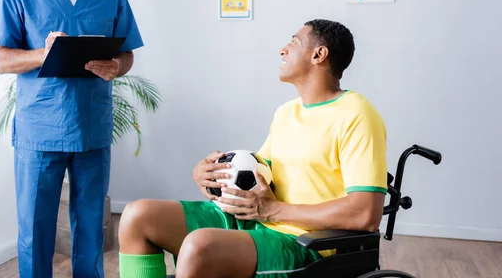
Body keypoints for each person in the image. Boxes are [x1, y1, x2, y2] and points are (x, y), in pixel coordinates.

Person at [118, 19, 387, 278]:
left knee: (200, 246)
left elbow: (365, 213)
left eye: (293, 42)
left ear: (319, 54)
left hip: (306, 242)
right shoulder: (287, 112)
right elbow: (262, 171)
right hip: (259, 222)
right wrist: (213, 175)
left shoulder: (357, 114)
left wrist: (273, 210)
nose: (283, 49)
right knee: (137, 216)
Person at [0, 0, 143, 277]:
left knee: (90, 230)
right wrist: (44, 53)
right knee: (35, 230)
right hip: (41, 129)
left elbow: (127, 54)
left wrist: (116, 66)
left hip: (92, 127)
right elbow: (3, 61)